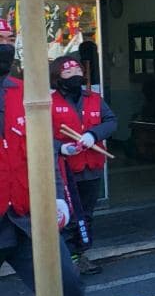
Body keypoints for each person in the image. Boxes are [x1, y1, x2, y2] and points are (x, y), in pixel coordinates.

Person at [0, 20, 85, 296]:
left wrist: (58, 196)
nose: (5, 45)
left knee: (68, 292)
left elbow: (44, 151)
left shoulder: (27, 94)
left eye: (8, 38)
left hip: (28, 218)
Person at [49, 55, 117, 276]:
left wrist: (92, 135)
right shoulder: (49, 103)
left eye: (78, 71)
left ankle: (81, 254)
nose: (74, 76)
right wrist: (61, 147)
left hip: (92, 166)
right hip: (64, 170)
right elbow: (40, 134)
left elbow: (111, 122)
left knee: (86, 213)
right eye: (68, 73)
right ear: (57, 77)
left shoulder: (94, 99)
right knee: (68, 215)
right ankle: (69, 258)